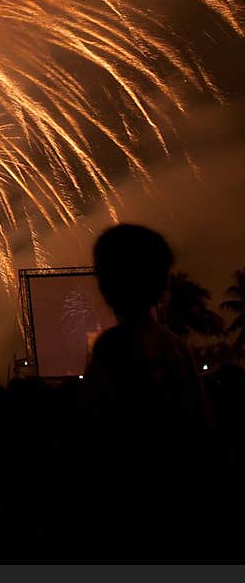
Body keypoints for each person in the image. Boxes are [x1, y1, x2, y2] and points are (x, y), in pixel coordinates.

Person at [83, 223, 213, 558]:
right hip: (179, 498)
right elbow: (201, 425)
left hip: (131, 502)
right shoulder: (176, 347)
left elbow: (97, 429)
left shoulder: (111, 348)